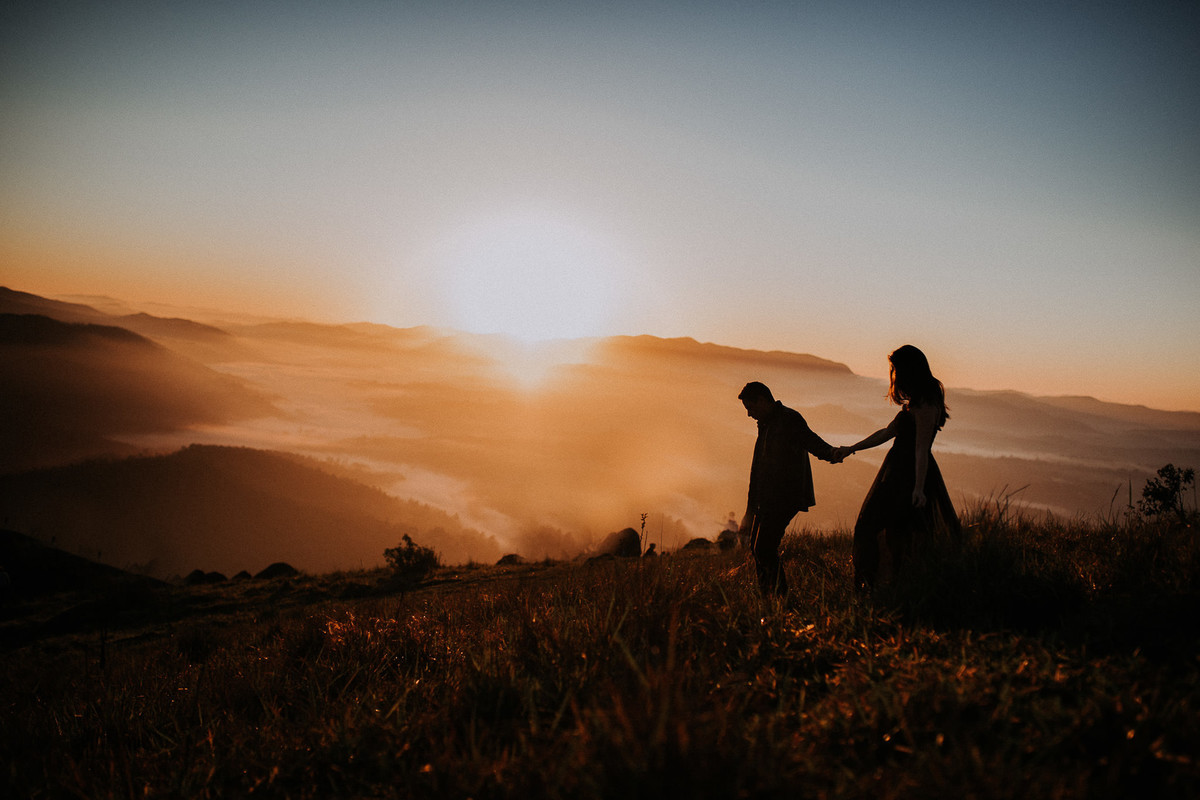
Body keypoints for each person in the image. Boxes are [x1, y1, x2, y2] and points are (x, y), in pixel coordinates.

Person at [835, 345, 961, 591]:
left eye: (895, 368)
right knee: (882, 529)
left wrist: (918, 488)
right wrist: (852, 448)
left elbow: (921, 449)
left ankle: (891, 587)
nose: (893, 374)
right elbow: (886, 432)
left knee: (898, 532)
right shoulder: (915, 403)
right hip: (896, 473)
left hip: (909, 475)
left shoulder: (926, 405)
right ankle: (881, 586)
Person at [738, 381, 842, 599]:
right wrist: (750, 510)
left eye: (751, 408)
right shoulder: (766, 423)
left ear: (763, 400)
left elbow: (811, 441)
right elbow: (757, 468)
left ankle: (780, 598)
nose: (749, 414)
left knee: (764, 548)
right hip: (766, 498)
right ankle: (768, 597)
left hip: (784, 497)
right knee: (757, 548)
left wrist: (831, 453)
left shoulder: (788, 419)